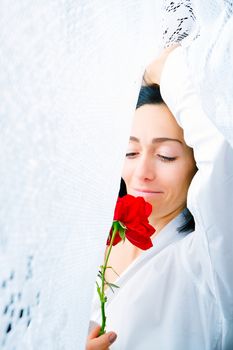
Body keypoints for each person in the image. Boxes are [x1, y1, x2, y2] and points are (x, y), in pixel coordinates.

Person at [89, 45, 233, 349]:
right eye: (129, 152)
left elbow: (222, 149)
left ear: (197, 163)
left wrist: (161, 71)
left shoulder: (209, 259)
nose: (142, 172)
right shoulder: (88, 235)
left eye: (166, 156)